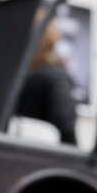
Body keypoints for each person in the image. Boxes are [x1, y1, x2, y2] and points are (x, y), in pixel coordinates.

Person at [15, 14, 87, 145]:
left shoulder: (16, 76)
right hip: (49, 157)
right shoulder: (54, 75)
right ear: (52, 37)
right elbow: (65, 125)